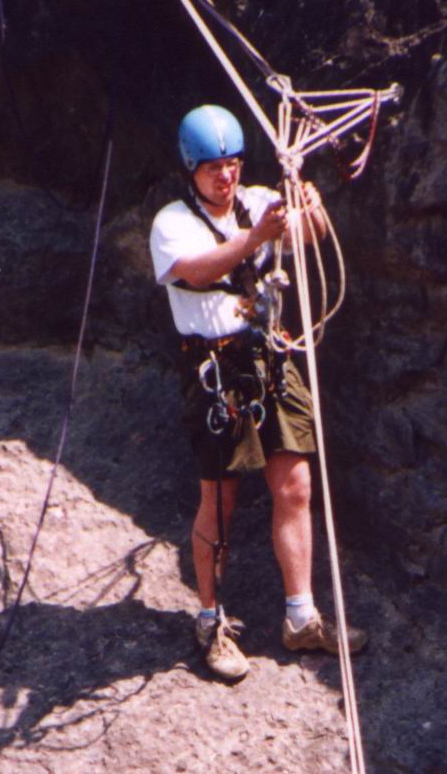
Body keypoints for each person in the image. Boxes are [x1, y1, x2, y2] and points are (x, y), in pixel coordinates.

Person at [149, 104, 367, 682]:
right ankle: (209, 620)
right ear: (191, 170)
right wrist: (256, 237)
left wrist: (310, 208)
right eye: (213, 168)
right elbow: (196, 271)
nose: (226, 176)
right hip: (215, 368)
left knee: (295, 486)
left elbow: (309, 235)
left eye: (233, 164)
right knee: (219, 503)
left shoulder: (260, 200)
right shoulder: (173, 222)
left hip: (270, 355)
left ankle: (301, 615)